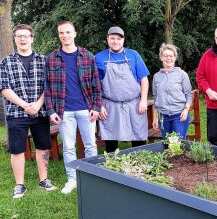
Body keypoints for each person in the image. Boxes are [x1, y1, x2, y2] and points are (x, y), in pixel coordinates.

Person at [45, 21, 102, 194]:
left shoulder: (87, 56)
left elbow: (96, 84)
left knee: (90, 144)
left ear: (75, 34)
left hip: (86, 108)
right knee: (68, 147)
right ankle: (72, 179)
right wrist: (51, 110)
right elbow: (46, 87)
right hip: (64, 111)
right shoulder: (52, 58)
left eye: (68, 32)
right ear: (59, 35)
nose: (65, 35)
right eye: (61, 33)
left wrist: (97, 106)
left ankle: (93, 176)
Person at [0, 24, 57, 199]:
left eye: (26, 36)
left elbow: (48, 86)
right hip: (16, 113)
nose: (22, 39)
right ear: (15, 39)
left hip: (39, 112)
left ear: (32, 38)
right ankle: (20, 185)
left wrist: (39, 104)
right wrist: (25, 105)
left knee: (43, 146)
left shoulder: (43, 60)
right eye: (19, 36)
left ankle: (44, 180)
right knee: (17, 149)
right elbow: (4, 88)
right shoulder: (6, 62)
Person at [96, 26, 150, 153]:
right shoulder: (99, 57)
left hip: (134, 104)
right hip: (109, 105)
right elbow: (95, 84)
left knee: (138, 138)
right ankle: (112, 167)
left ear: (123, 40)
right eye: (112, 38)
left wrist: (143, 100)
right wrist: (99, 105)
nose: (115, 41)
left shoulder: (134, 55)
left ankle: (139, 165)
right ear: (107, 40)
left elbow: (144, 79)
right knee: (111, 139)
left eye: (118, 39)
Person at [152, 43, 192, 139]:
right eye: (165, 56)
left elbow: (188, 95)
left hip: (179, 115)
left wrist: (186, 109)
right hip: (163, 116)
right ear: (161, 58)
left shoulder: (182, 74)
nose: (168, 58)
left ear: (175, 58)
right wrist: (155, 117)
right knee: (166, 145)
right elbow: (155, 97)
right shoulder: (156, 76)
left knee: (178, 144)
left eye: (171, 56)